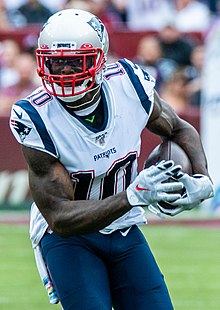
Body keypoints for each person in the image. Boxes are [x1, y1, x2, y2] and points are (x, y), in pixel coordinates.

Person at [9, 9, 214, 310]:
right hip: (70, 240)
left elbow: (179, 129)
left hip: (122, 227)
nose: (63, 73)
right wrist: (132, 195)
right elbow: (61, 217)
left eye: (74, 63)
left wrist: (202, 178)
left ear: (99, 59)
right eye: (56, 63)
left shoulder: (129, 85)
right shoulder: (36, 117)